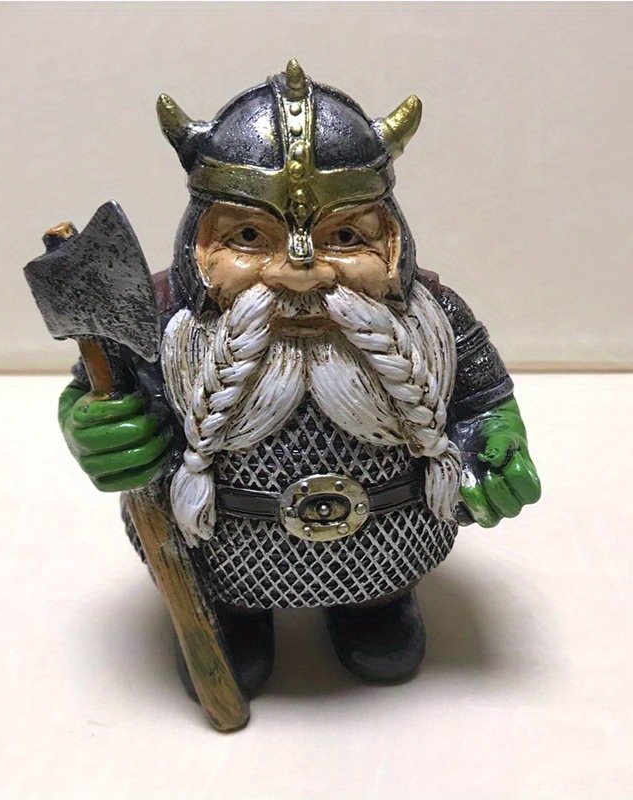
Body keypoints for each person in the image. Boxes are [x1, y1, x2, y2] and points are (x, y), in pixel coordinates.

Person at [57, 60, 541, 697]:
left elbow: (483, 395)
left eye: (344, 235)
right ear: (198, 241)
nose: (298, 272)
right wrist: (95, 431)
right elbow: (91, 394)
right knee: (232, 619)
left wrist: (494, 441)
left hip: (387, 545)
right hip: (220, 556)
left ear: (392, 238)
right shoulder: (157, 320)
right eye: (249, 236)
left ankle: (374, 609)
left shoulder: (432, 316)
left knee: (380, 618)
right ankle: (235, 620)